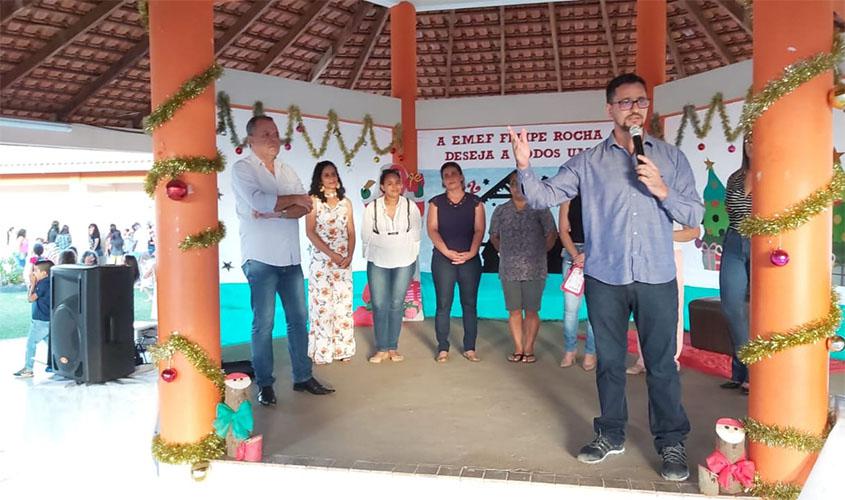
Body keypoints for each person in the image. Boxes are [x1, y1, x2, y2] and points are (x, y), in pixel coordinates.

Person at [509, 73, 704, 481]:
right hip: (605, 277)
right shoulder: (587, 162)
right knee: (610, 363)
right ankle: (611, 434)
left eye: (641, 101)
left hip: (656, 276)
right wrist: (525, 166)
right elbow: (545, 196)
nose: (634, 108)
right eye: (625, 101)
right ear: (610, 109)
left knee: (661, 365)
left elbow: (695, 215)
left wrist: (663, 189)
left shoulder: (670, 159)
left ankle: (670, 441)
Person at [231, 115, 334, 407]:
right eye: (266, 134)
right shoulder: (243, 169)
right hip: (260, 258)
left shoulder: (287, 170)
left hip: (291, 258)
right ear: (251, 139)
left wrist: (279, 207)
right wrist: (288, 201)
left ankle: (303, 377)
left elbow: (305, 206)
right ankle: (265, 384)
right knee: (263, 324)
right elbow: (260, 202)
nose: (273, 139)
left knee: (299, 320)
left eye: (275, 134)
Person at [489, 171, 556, 364]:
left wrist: (540, 253)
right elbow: (494, 235)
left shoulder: (540, 208)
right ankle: (518, 348)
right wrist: (502, 249)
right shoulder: (501, 210)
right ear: (510, 187)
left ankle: (529, 349)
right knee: (514, 311)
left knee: (532, 311)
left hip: (535, 269)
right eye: (513, 184)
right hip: (509, 269)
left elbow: (551, 233)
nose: (517, 188)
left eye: (521, 184)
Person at [427, 161, 486, 363]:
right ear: (443, 181)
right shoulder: (436, 203)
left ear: (461, 176)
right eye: (446, 175)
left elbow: (479, 230)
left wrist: (471, 252)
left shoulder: (476, 202)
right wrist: (447, 252)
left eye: (453, 173)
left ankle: (470, 347)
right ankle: (443, 347)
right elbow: (432, 230)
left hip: (470, 260)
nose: (450, 177)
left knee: (469, 304)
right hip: (443, 259)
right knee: (443, 304)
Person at [361, 168, 422, 363]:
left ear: (402, 185)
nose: (394, 186)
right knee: (379, 305)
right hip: (378, 260)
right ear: (382, 187)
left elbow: (416, 233)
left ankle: (393, 347)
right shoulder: (373, 207)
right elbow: (366, 235)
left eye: (397, 182)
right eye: (389, 183)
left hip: (404, 260)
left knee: (396, 304)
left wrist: (408, 253)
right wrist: (376, 251)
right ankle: (381, 348)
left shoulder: (409, 206)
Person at [626, 224, 700, 375]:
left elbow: (693, 232)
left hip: (671, 253)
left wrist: (662, 235)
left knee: (672, 309)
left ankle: (670, 359)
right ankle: (643, 359)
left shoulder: (680, 202)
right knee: (643, 308)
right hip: (643, 255)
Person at [304, 160, 356, 364]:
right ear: (319, 179)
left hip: (343, 261)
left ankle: (343, 349)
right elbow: (310, 232)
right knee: (323, 306)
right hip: (322, 261)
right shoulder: (314, 201)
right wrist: (331, 254)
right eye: (327, 175)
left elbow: (351, 231)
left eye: (334, 174)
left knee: (342, 304)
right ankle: (323, 351)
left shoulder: (346, 202)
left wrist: (349, 255)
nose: (332, 178)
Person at [719, 138, 753, 395]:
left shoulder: (773, 174)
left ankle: (752, 375)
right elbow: (731, 210)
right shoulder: (735, 178)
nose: (752, 144)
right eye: (748, 140)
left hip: (764, 243)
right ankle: (741, 370)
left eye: (757, 139)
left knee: (762, 310)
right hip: (734, 241)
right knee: (732, 307)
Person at [558, 197, 597, 370]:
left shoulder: (601, 194)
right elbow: (563, 230)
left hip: (597, 255)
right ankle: (569, 350)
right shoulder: (568, 198)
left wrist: (588, 254)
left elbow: (607, 230)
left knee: (595, 310)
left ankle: (590, 353)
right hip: (572, 255)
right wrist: (576, 256)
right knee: (570, 309)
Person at [13, 259, 54, 378]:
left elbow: (30, 298)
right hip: (46, 319)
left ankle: (28, 368)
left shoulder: (43, 284)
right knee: (52, 345)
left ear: (44, 273)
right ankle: (58, 365)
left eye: (36, 271)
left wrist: (33, 284)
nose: (34, 273)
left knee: (31, 343)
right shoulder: (49, 282)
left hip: (40, 321)